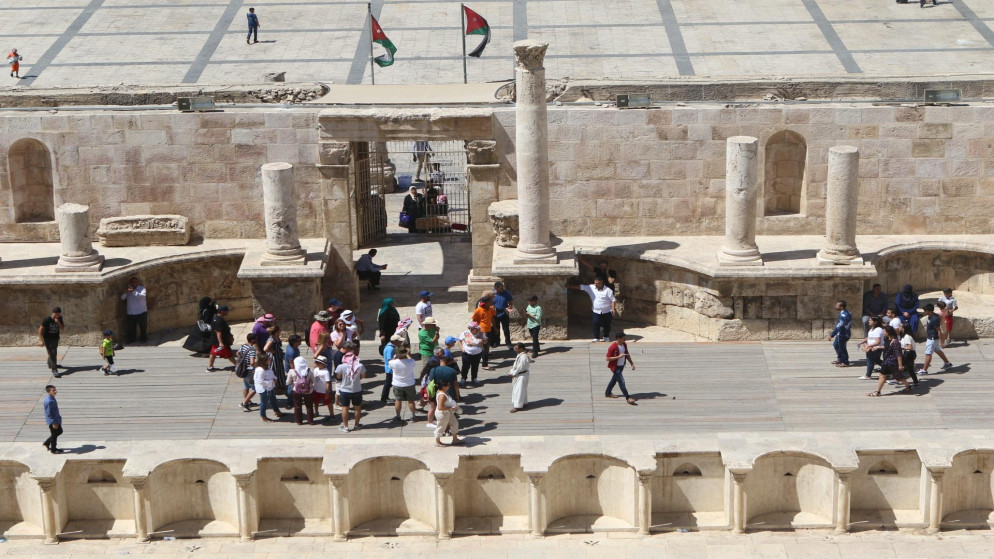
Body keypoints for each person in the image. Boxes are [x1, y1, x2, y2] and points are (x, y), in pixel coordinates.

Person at [868, 326, 912, 397]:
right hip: (886, 361)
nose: (883, 332)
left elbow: (898, 354)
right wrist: (878, 347)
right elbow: (888, 347)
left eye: (884, 331)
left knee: (897, 377)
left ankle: (877, 392)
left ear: (888, 332)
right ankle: (908, 386)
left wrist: (900, 365)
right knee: (884, 375)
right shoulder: (887, 339)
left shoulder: (895, 342)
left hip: (892, 362)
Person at [572, 278, 617, 342]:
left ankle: (606, 336)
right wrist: (568, 286)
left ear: (602, 283)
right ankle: (596, 337)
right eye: (595, 283)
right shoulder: (591, 287)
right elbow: (581, 287)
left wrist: (613, 309)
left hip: (607, 311)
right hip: (596, 311)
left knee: (607, 324)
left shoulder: (608, 290)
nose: (596, 284)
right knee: (596, 323)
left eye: (597, 283)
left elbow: (613, 300)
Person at [336, 347, 367, 432]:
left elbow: (338, 377)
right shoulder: (359, 366)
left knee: (345, 408)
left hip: (344, 390)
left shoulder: (341, 366)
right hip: (356, 389)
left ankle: (346, 427)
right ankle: (356, 425)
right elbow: (364, 376)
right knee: (357, 408)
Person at [427, 355, 460, 428]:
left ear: (441, 361)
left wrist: (429, 394)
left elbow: (430, 383)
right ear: (449, 362)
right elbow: (456, 385)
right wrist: (457, 395)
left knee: (436, 408)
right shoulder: (452, 371)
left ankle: (435, 424)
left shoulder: (433, 370)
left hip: (437, 392)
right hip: (450, 392)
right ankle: (447, 429)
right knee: (449, 411)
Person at [919, 304, 953, 375]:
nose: (925, 312)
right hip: (933, 338)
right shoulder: (933, 315)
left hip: (932, 338)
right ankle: (947, 363)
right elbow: (940, 316)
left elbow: (939, 331)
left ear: (930, 311)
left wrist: (942, 342)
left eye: (926, 311)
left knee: (928, 354)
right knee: (937, 350)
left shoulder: (934, 319)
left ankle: (924, 370)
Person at [605, 332, 637, 405]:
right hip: (615, 367)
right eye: (623, 338)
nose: (625, 339)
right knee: (621, 382)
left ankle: (608, 393)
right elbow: (607, 358)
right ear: (618, 339)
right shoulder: (612, 347)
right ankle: (628, 397)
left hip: (621, 366)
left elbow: (627, 354)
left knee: (614, 379)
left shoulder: (624, 344)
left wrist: (632, 363)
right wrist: (618, 357)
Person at [390, 346, 418, 423]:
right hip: (409, 383)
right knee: (411, 400)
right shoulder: (410, 362)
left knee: (398, 400)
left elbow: (390, 364)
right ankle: (412, 416)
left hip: (397, 384)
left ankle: (398, 415)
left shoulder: (393, 363)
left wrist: (394, 357)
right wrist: (407, 354)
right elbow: (411, 360)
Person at [434, 378, 463, 447]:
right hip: (443, 414)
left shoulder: (444, 391)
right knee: (441, 427)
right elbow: (440, 407)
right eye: (448, 385)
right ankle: (437, 441)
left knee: (454, 423)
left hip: (448, 412)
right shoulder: (442, 395)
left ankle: (455, 439)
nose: (449, 386)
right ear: (444, 386)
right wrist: (451, 408)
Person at [206, 305, 236, 372]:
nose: (228, 312)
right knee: (228, 354)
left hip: (216, 341)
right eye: (227, 311)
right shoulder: (219, 320)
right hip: (221, 341)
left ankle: (210, 367)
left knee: (213, 353)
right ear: (222, 311)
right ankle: (238, 366)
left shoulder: (215, 317)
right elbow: (218, 332)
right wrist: (221, 342)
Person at [254, 354, 283, 422]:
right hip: (264, 389)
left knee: (273, 400)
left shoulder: (267, 367)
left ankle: (277, 412)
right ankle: (263, 416)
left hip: (270, 387)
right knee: (264, 403)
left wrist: (275, 378)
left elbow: (271, 374)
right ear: (264, 361)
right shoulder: (260, 370)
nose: (270, 360)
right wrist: (271, 381)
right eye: (268, 359)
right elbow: (260, 381)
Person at [287, 356, 315, 425]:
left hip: (296, 390)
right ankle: (310, 420)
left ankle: (299, 421)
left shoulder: (292, 371)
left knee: (297, 406)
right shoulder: (309, 370)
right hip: (308, 391)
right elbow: (313, 380)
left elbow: (288, 382)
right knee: (309, 405)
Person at [120, 276, 148, 344]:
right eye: (131, 282)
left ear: (137, 282)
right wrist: (125, 293)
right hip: (131, 312)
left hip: (141, 311)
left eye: (134, 282)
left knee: (143, 326)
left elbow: (141, 297)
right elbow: (122, 298)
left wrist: (133, 291)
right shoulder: (128, 289)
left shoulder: (142, 289)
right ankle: (132, 339)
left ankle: (143, 338)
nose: (133, 283)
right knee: (131, 327)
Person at [470, 299, 496, 371]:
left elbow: (492, 318)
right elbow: (474, 320)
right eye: (489, 302)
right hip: (482, 331)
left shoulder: (490, 309)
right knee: (485, 349)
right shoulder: (478, 310)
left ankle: (479, 360)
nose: (491, 303)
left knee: (485, 348)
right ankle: (484, 364)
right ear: (485, 303)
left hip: (489, 330)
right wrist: (473, 330)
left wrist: (495, 328)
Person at [38, 307, 64, 376]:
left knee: (52, 352)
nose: (57, 316)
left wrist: (58, 322)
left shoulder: (60, 318)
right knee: (53, 352)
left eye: (59, 314)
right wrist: (41, 340)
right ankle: (54, 370)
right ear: (53, 313)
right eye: (56, 314)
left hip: (55, 338)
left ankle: (51, 364)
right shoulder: (47, 319)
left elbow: (62, 328)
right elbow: (40, 329)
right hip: (47, 339)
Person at [236, 333, 259, 412]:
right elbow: (252, 362)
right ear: (252, 340)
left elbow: (237, 353)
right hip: (249, 372)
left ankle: (248, 401)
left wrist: (243, 361)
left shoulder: (243, 346)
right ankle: (245, 403)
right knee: (255, 389)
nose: (256, 340)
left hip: (243, 370)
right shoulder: (252, 349)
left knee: (245, 386)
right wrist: (253, 368)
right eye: (256, 339)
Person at [858, 316, 885, 381]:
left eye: (870, 320)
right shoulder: (872, 329)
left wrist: (869, 346)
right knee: (876, 360)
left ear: (875, 322)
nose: (868, 321)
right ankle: (889, 369)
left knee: (870, 361)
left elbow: (878, 341)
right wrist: (862, 342)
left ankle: (868, 375)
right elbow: (869, 337)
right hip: (872, 347)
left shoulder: (878, 329)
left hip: (875, 348)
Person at [508, 343, 532, 412]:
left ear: (521, 349)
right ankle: (524, 402)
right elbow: (515, 366)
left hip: (522, 375)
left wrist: (512, 373)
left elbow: (519, 368)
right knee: (522, 389)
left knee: (519, 390)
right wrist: (511, 371)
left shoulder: (523, 358)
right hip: (520, 374)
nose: (515, 350)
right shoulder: (520, 355)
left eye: (517, 349)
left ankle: (517, 406)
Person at [491, 282, 515, 352]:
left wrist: (510, 307)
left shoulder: (507, 293)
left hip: (504, 313)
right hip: (495, 313)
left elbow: (511, 302)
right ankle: (497, 341)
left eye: (499, 288)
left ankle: (508, 342)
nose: (497, 290)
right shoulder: (493, 293)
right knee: (496, 328)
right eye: (496, 289)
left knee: (506, 329)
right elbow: (490, 302)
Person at [828, 300, 852, 367]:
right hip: (841, 333)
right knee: (836, 345)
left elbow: (840, 326)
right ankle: (840, 359)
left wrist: (832, 335)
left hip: (843, 333)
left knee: (842, 348)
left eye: (837, 305)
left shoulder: (843, 315)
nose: (835, 306)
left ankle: (845, 362)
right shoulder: (847, 313)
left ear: (841, 307)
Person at [42, 385, 64, 454]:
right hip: (54, 421)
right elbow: (49, 413)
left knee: (59, 431)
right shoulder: (49, 401)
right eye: (53, 390)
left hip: (56, 419)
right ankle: (53, 449)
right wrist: (54, 423)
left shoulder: (51, 398)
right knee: (54, 435)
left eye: (55, 390)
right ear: (48, 392)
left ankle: (47, 443)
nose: (55, 391)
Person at [381, 333, 403, 403]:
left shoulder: (392, 347)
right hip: (390, 370)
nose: (401, 342)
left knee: (389, 383)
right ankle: (384, 397)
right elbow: (389, 360)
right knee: (388, 383)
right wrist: (397, 356)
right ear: (395, 341)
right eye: (400, 341)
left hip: (391, 369)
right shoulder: (390, 348)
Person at [264, 325, 286, 393]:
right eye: (279, 330)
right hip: (273, 357)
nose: (280, 331)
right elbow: (265, 349)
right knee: (275, 370)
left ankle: (280, 385)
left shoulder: (276, 337)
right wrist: (273, 351)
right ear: (276, 331)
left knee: (279, 370)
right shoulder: (271, 340)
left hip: (277, 357)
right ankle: (275, 387)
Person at [311, 355, 333, 419]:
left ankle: (332, 414)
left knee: (328, 402)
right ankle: (316, 412)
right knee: (315, 402)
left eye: (318, 363)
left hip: (324, 390)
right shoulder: (315, 370)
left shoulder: (326, 372)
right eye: (316, 362)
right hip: (316, 389)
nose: (316, 363)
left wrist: (327, 393)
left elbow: (328, 383)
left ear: (323, 364)